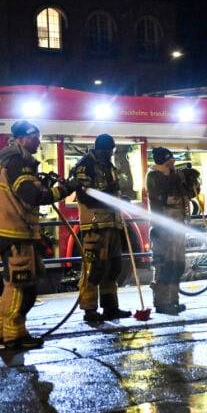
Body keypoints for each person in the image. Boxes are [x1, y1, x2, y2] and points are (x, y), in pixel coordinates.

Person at [0, 121, 77, 349]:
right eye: (35, 137)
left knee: (12, 284)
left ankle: (2, 330)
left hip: (10, 231)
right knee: (23, 285)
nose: (39, 141)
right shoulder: (19, 162)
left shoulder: (6, 159)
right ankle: (15, 335)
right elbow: (33, 196)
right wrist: (66, 189)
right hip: (17, 233)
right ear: (22, 139)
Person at [69, 134, 132, 322]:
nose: (111, 154)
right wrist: (111, 198)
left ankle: (110, 307)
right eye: (110, 151)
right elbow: (85, 195)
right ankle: (89, 309)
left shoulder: (108, 165)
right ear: (102, 149)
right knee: (94, 268)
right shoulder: (85, 165)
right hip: (95, 224)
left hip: (112, 223)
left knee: (113, 268)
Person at [145, 147, 197, 314]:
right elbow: (160, 196)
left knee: (177, 265)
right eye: (169, 159)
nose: (173, 162)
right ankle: (161, 303)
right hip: (163, 228)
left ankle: (173, 300)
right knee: (164, 265)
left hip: (177, 228)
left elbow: (189, 194)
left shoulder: (174, 175)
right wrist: (176, 177)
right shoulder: (153, 176)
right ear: (162, 161)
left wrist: (192, 182)